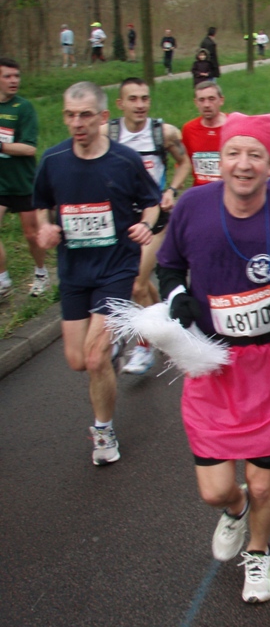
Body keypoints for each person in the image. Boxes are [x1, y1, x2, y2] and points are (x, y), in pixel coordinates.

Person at [156, 113, 270, 603]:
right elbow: (170, 265)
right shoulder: (193, 207)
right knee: (215, 490)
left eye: (254, 154)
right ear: (220, 159)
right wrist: (178, 296)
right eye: (233, 153)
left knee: (263, 486)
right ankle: (233, 511)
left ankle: (259, 554)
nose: (243, 165)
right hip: (211, 363)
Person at [32, 81, 161, 465]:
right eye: (70, 115)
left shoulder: (123, 160)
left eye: (85, 115)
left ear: (104, 117)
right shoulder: (53, 161)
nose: (77, 123)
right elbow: (42, 204)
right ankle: (119, 341)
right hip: (74, 271)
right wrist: (45, 228)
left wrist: (146, 225)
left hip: (115, 269)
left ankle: (103, 432)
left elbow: (151, 204)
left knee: (93, 358)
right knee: (76, 360)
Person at [110, 77, 191, 375]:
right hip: (123, 220)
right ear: (120, 104)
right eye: (133, 99)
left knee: (136, 284)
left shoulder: (163, 133)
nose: (140, 104)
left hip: (156, 217)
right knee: (142, 288)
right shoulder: (111, 134)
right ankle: (165, 323)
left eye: (144, 98)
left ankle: (144, 347)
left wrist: (171, 189)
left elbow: (184, 162)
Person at [0, 57, 46, 301]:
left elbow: (29, 149)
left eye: (16, 76)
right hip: (0, 183)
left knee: (31, 234)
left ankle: (41, 273)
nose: (14, 80)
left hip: (23, 182)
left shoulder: (24, 108)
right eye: (7, 76)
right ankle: (2, 281)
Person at [183, 82, 228, 186]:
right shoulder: (189, 129)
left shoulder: (234, 125)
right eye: (201, 100)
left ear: (221, 100)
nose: (206, 105)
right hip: (201, 192)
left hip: (229, 193)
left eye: (211, 99)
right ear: (196, 102)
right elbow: (184, 162)